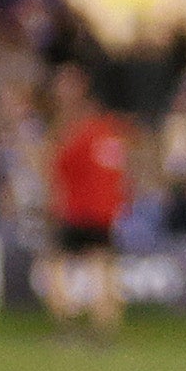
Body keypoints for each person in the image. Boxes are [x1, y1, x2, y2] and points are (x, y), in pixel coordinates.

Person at [43, 66, 129, 346]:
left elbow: (58, 168)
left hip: (79, 211)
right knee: (102, 268)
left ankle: (66, 325)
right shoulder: (111, 133)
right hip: (105, 212)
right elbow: (119, 174)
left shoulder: (80, 135)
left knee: (55, 265)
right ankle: (105, 330)